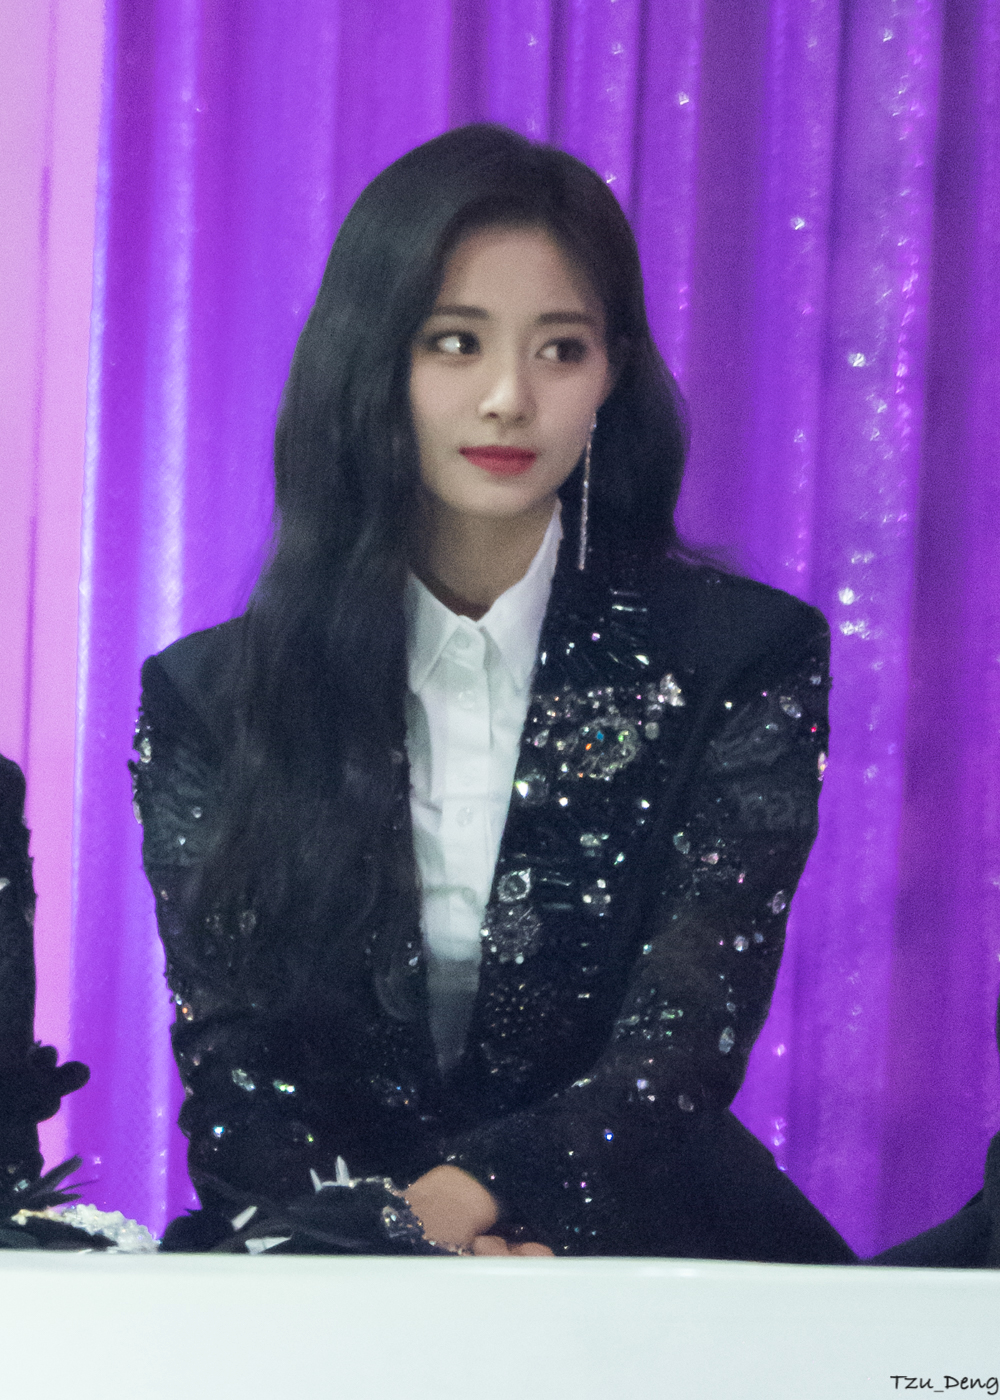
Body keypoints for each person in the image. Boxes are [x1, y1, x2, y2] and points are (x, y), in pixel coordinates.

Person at [131, 123, 854, 1262]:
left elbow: (680, 1042)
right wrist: (382, 1249)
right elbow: (239, 1069)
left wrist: (459, 1210)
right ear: (373, 361)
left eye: (560, 349)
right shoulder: (212, 696)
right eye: (456, 343)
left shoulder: (739, 656)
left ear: (612, 374)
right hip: (325, 1275)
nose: (510, 397)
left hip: (656, 1264)